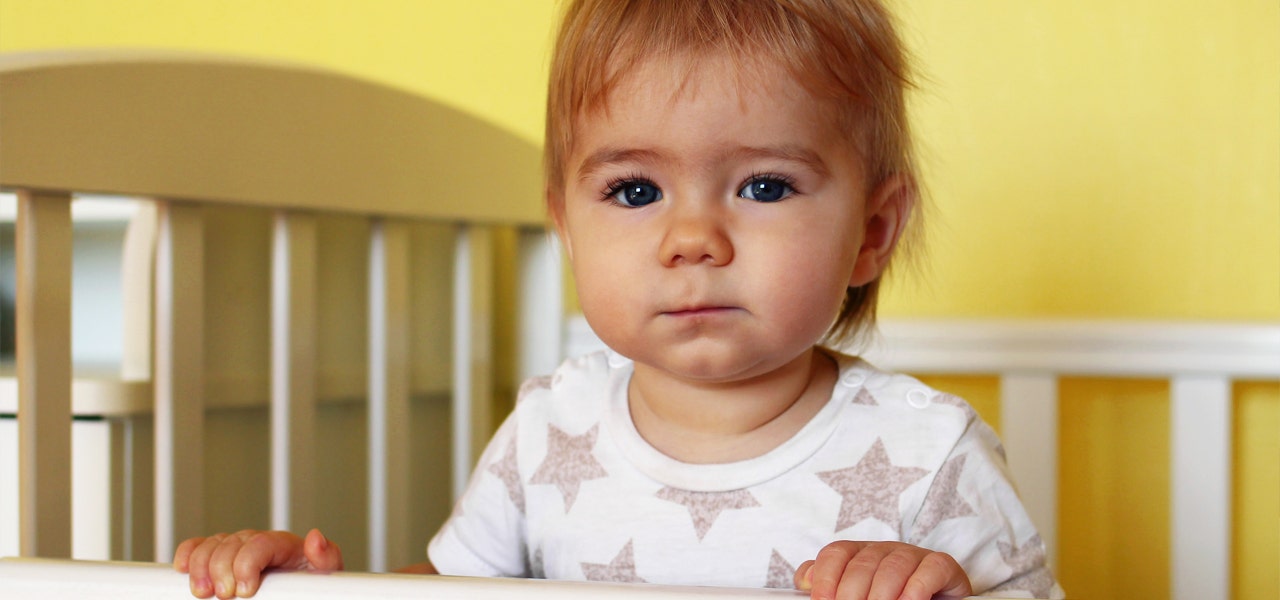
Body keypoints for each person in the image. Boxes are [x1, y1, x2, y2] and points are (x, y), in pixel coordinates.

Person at [175, 1, 1064, 599]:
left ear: (872, 231)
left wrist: (939, 587)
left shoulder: (927, 455)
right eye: (635, 193)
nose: (693, 239)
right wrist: (322, 590)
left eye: (763, 186)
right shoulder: (547, 435)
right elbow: (449, 596)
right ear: (566, 225)